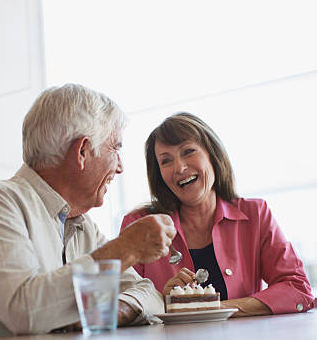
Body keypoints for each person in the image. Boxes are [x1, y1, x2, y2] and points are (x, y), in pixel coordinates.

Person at [0, 84, 176, 340]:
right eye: (116, 148)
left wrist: (121, 308)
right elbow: (25, 313)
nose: (120, 167)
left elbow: (150, 295)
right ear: (82, 151)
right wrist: (126, 249)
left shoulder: (81, 225)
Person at [121, 112, 314, 317]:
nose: (179, 167)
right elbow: (121, 306)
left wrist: (216, 308)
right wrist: (161, 302)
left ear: (212, 155)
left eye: (188, 151)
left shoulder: (255, 214)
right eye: (166, 161)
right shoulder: (139, 225)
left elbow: (297, 289)